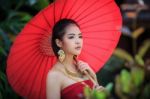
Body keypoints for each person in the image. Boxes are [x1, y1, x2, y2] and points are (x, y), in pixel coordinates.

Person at [46, 19, 104, 99]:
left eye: (80, 36)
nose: (78, 41)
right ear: (59, 42)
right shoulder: (54, 75)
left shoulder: (83, 68)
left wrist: (94, 79)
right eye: (71, 37)